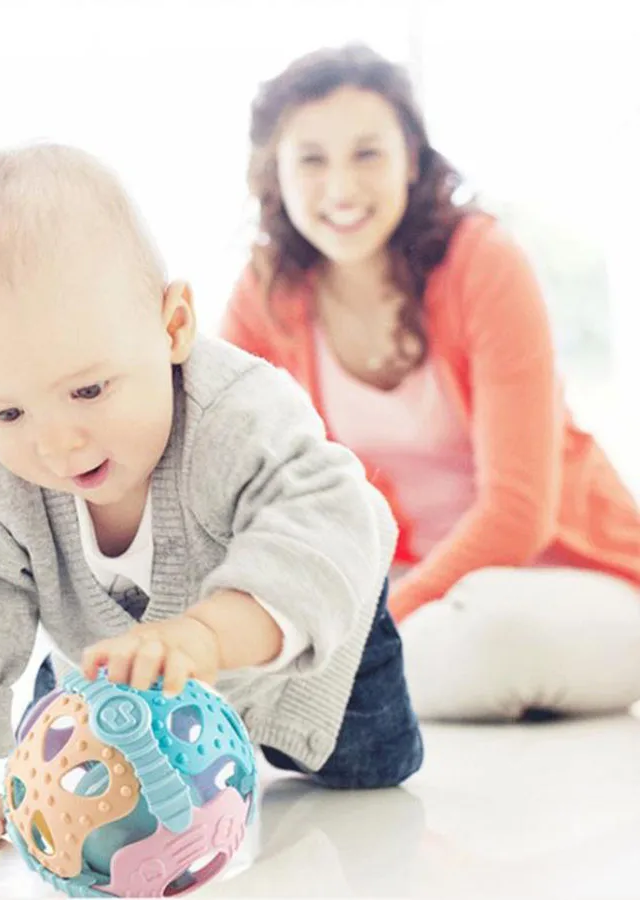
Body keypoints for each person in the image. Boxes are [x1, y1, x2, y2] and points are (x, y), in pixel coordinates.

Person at [0, 142, 422, 855]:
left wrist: (207, 637)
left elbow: (323, 524)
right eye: (6, 414)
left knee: (368, 772)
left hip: (316, 638)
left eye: (88, 390)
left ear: (172, 327)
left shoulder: (241, 413)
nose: (59, 445)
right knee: (82, 764)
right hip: (117, 655)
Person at [221, 44, 640, 723]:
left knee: (491, 633)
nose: (341, 188)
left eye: (367, 154)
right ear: (276, 173)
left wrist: (371, 627)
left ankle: (334, 696)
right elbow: (231, 485)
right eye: (312, 159)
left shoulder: (483, 263)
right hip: (411, 588)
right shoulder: (266, 297)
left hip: (564, 578)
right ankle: (340, 695)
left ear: (411, 160)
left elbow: (518, 515)